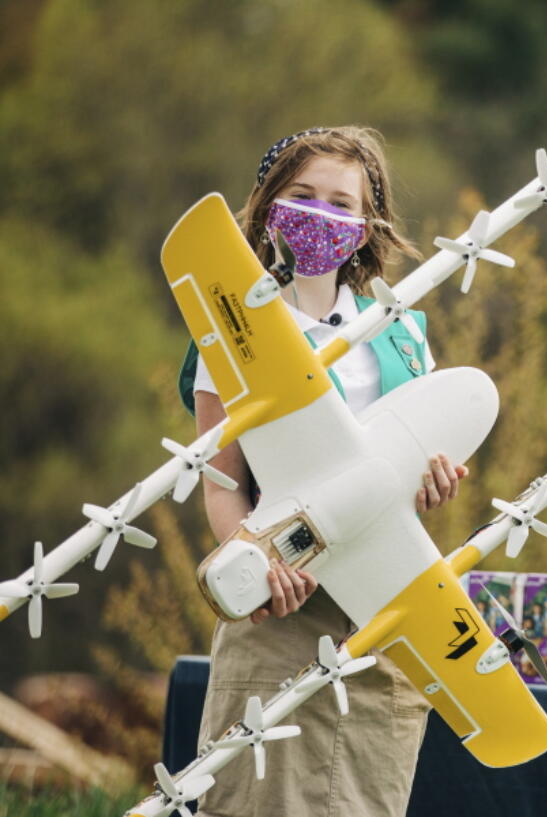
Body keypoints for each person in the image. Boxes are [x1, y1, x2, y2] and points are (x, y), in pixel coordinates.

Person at [181, 126, 464, 816]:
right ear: (268, 204)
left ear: (368, 224)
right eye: (302, 195)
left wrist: (434, 481)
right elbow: (222, 482)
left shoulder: (402, 328)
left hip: (380, 609)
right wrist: (254, 561)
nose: (321, 214)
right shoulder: (232, 326)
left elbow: (403, 472)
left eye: (342, 202)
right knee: (256, 793)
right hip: (283, 601)